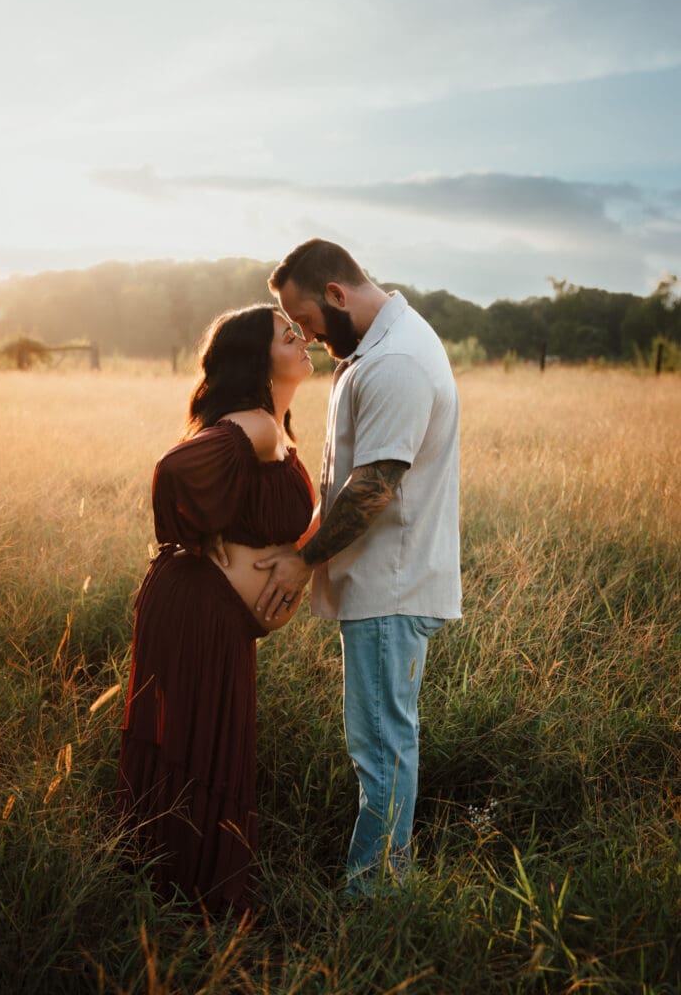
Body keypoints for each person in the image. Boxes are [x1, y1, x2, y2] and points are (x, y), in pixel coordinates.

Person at [255, 239, 461, 896]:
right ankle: (381, 882)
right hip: (382, 586)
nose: (309, 339)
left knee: (381, 752)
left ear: (338, 295)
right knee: (384, 746)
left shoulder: (397, 360)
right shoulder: (378, 346)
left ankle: (372, 896)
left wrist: (300, 561)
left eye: (309, 322)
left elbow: (374, 488)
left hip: (389, 589)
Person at [117, 304, 315, 915]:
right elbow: (174, 468)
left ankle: (169, 889)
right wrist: (191, 534)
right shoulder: (254, 424)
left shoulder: (276, 427)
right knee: (197, 752)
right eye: (289, 334)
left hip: (214, 618)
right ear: (259, 358)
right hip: (196, 609)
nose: (303, 339)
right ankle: (188, 899)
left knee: (200, 749)